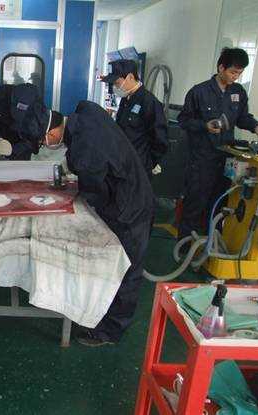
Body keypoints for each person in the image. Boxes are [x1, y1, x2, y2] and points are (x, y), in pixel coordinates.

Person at [40, 101, 155, 346]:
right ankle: (99, 314)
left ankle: (110, 332)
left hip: (130, 209)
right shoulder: (85, 112)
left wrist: (76, 191)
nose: (45, 144)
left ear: (53, 132)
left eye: (44, 140)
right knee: (120, 266)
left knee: (125, 269)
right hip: (134, 190)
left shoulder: (85, 147)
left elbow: (96, 191)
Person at [177, 47, 258, 241]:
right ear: (221, 67)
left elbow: (242, 117)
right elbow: (184, 120)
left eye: (239, 73)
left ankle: (212, 244)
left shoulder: (238, 92)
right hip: (202, 159)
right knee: (196, 203)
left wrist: (257, 127)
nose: (236, 77)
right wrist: (204, 126)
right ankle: (185, 245)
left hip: (227, 158)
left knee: (220, 203)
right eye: (233, 72)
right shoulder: (199, 91)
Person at [101, 59, 169, 178]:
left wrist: (148, 164)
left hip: (138, 168)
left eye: (117, 83)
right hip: (122, 164)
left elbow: (160, 140)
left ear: (130, 77)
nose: (115, 87)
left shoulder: (149, 102)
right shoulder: (126, 99)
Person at [0, 83, 64, 160]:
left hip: (7, 141)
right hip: (3, 140)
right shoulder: (0, 97)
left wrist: (0, 142)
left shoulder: (36, 117)